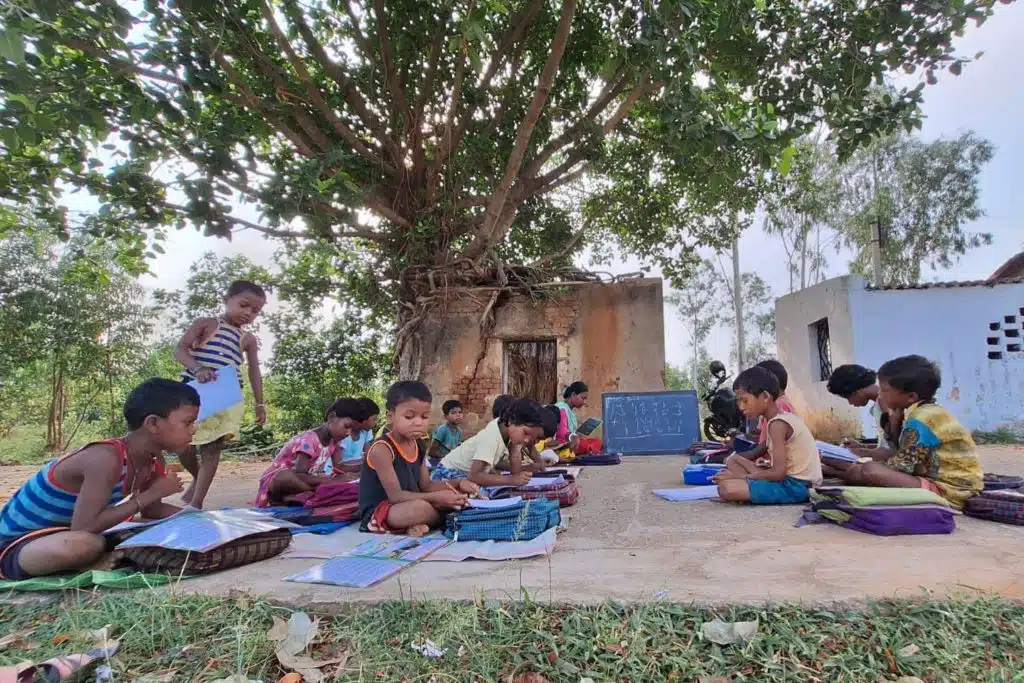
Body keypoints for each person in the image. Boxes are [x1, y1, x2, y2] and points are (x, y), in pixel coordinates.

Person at [0, 378, 196, 580]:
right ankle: (85, 563)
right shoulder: (106, 458)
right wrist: (154, 492)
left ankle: (97, 555)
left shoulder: (153, 460)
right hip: (19, 544)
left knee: (158, 526)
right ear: (153, 423)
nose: (193, 429)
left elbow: (153, 511)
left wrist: (198, 517)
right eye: (187, 422)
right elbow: (84, 527)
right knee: (86, 545)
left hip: (68, 531)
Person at [827, 355, 982, 509]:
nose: (880, 394)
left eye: (885, 391)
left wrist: (861, 466)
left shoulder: (920, 420)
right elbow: (902, 454)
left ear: (910, 397)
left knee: (870, 470)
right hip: (944, 482)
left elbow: (901, 466)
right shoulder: (922, 412)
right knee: (866, 470)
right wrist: (894, 424)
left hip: (951, 491)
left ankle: (831, 470)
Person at [174, 279, 267, 509]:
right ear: (227, 300)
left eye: (255, 310)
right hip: (191, 393)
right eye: (244, 305)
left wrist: (260, 403)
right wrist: (197, 369)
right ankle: (197, 477)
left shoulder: (248, 340)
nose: (249, 313)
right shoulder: (206, 324)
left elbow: (253, 370)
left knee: (212, 448)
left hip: (225, 397)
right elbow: (180, 349)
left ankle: (196, 503)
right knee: (182, 444)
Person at [358, 381, 480, 536]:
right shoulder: (382, 448)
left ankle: (424, 522)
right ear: (390, 416)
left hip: (413, 500)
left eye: (424, 416)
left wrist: (460, 483)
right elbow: (396, 496)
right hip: (385, 510)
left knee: (459, 494)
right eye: (409, 417)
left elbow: (426, 485)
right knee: (420, 509)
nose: (418, 422)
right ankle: (448, 517)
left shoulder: (419, 444)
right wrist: (437, 498)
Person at [713, 367, 822, 504]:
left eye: (745, 400)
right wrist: (760, 467)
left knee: (726, 488)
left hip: (796, 487)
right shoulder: (774, 419)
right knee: (733, 460)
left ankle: (744, 483)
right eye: (738, 401)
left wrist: (743, 477)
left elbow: (778, 473)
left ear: (765, 397)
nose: (741, 407)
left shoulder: (778, 425)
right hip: (790, 480)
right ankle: (745, 484)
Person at [255, 398, 362, 507]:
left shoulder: (334, 442)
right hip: (277, 484)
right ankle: (310, 496)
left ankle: (303, 496)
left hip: (303, 484)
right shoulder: (309, 439)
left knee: (336, 484)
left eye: (352, 430)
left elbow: (336, 468)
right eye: (347, 426)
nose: (349, 433)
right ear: (331, 417)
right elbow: (299, 475)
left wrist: (354, 474)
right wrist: (331, 481)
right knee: (284, 476)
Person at [431, 398, 547, 486]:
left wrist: (517, 478)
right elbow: (474, 476)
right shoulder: (491, 436)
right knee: (483, 493)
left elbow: (514, 462)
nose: (526, 440)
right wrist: (511, 480)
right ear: (512, 420)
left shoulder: (508, 430)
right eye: (525, 433)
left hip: (464, 475)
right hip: (446, 473)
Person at [726, 359, 795, 467]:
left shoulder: (780, 406)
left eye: (745, 400)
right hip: (767, 461)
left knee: (729, 466)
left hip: (771, 463)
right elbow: (762, 437)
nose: (741, 407)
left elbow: (764, 447)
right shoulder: (773, 406)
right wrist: (742, 436)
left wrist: (740, 459)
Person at [826, 364, 898, 456]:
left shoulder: (883, 401)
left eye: (847, 397)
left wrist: (862, 452)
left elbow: (895, 451)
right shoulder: (881, 401)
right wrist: (863, 447)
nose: (850, 403)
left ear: (855, 391)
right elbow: (888, 446)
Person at [329, 397, 379, 475]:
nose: (375, 423)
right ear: (363, 419)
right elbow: (337, 466)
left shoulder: (366, 432)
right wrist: (365, 465)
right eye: (374, 419)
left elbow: (369, 456)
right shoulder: (341, 433)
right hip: (342, 475)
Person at [555, 382, 601, 455]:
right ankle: (588, 449)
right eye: (582, 398)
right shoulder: (561, 408)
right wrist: (573, 436)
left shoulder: (569, 411)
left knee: (597, 442)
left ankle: (589, 449)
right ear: (573, 394)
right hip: (562, 444)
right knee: (584, 444)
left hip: (571, 441)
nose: (584, 402)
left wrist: (578, 432)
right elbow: (562, 433)